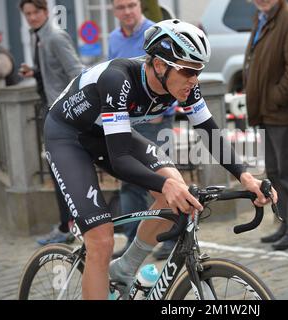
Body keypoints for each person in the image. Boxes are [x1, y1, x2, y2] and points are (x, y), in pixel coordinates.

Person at [44, 19, 277, 299]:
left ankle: (125, 269)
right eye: (188, 71)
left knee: (175, 191)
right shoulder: (118, 79)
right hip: (68, 137)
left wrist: (246, 177)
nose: (194, 80)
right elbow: (120, 159)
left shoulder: (186, 85)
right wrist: (165, 185)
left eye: (198, 71)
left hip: (107, 132)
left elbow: (209, 132)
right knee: (101, 241)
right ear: (159, 65)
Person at [108, 0, 176, 260]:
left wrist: (162, 114)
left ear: (140, 6)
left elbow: (171, 75)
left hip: (155, 121)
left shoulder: (156, 32)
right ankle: (134, 240)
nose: (127, 11)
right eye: (121, 7)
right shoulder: (114, 38)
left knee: (162, 183)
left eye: (132, 5)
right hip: (127, 121)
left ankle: (170, 239)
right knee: (129, 183)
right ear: (114, 11)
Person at [243, 0, 288, 250]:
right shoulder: (262, 17)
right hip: (267, 112)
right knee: (275, 173)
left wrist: (275, 97)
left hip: (283, 112)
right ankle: (285, 224)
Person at [18, 0, 83, 245]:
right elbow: (54, 71)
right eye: (28, 14)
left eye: (36, 12)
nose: (32, 17)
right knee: (59, 174)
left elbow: (76, 73)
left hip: (61, 116)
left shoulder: (54, 36)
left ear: (46, 12)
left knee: (64, 174)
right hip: (52, 113)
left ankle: (68, 228)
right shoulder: (40, 36)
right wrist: (35, 72)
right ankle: (67, 226)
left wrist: (68, 111)